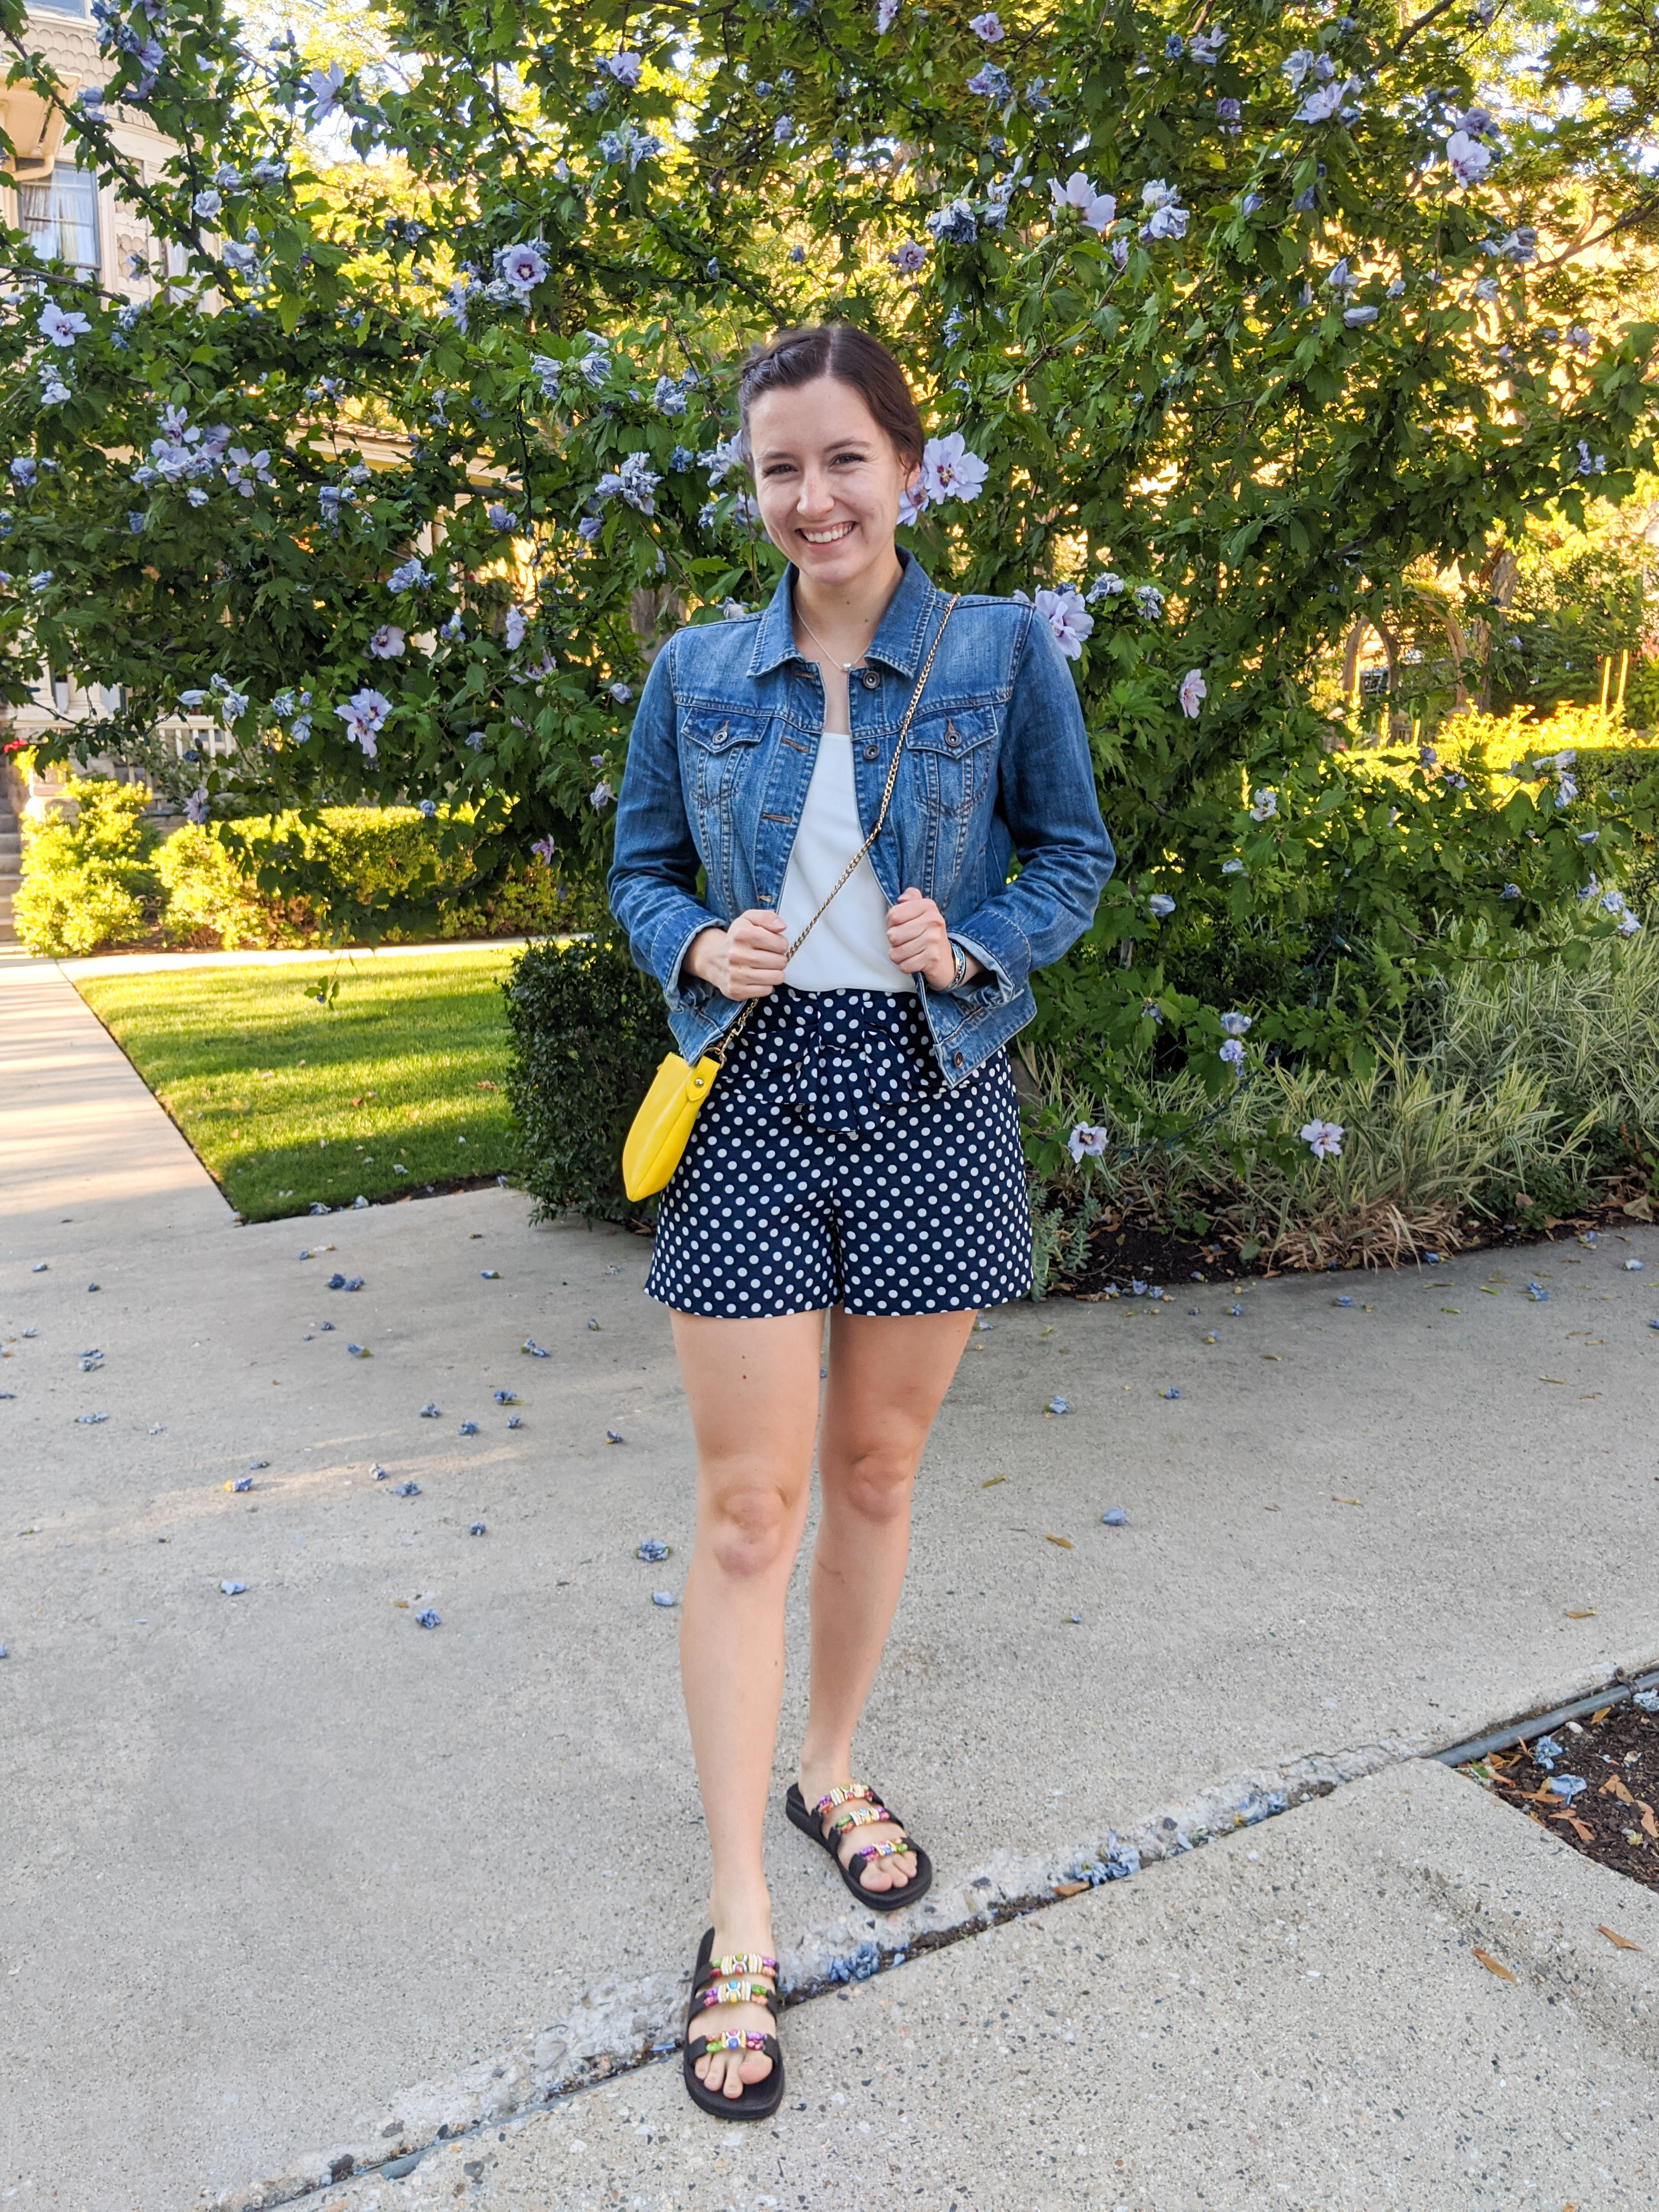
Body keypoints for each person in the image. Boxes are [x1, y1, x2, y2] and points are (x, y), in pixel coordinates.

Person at [607, 322, 1113, 2119]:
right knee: (749, 1508)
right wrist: (693, 939)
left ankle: (828, 1767)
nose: (810, 497)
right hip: (746, 1093)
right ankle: (738, 1907)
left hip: (928, 1087)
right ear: (752, 487)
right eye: (777, 467)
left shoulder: (995, 650)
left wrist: (970, 940)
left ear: (907, 463)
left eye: (841, 458)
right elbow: (638, 868)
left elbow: (1071, 851)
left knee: (876, 1473)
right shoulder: (694, 669)